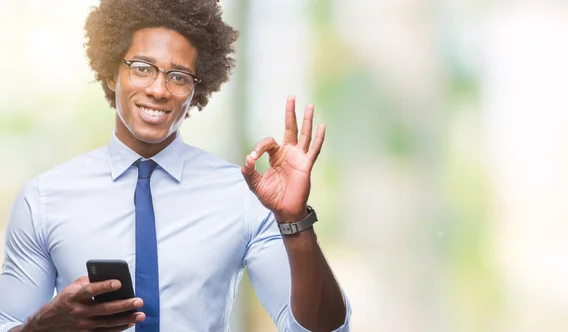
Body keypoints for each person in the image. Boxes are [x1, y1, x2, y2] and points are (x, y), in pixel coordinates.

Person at [0, 0, 351, 331]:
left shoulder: (242, 196)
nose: (159, 89)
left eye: (179, 76)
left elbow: (323, 329)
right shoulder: (45, 198)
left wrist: (294, 220)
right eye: (141, 68)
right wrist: (43, 325)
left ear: (195, 92)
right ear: (111, 75)